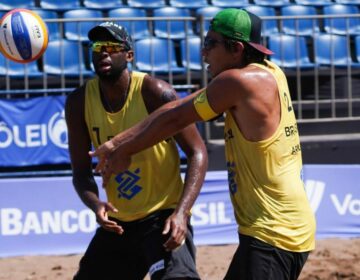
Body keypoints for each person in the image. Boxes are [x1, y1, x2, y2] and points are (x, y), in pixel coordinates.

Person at [90, 9, 317, 280]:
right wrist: (117, 143)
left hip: (274, 232)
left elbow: (174, 119)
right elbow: (176, 108)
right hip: (275, 227)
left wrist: (122, 149)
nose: (203, 53)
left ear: (236, 48)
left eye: (210, 44)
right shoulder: (265, 72)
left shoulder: (238, 81)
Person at [65, 22, 208, 280]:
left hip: (162, 217)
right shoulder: (78, 102)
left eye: (111, 47)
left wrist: (181, 213)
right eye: (97, 47)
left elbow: (197, 152)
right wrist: (96, 204)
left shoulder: (155, 92)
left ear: (129, 55)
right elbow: (80, 172)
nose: (103, 53)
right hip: (118, 223)